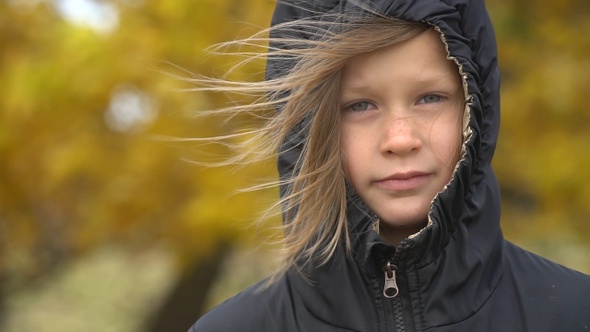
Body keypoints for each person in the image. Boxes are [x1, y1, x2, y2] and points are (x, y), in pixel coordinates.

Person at [189, 0, 590, 331]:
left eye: (430, 98)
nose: (400, 139)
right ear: (308, 129)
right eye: (360, 106)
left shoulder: (574, 313)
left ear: (476, 107)